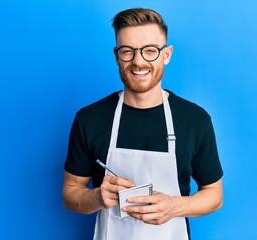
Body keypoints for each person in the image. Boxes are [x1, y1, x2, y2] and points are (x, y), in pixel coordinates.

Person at [62, 7, 223, 240]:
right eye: (127, 51)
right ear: (117, 55)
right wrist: (97, 197)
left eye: (150, 51)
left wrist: (173, 207)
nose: (138, 62)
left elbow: (214, 194)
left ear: (166, 55)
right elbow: (70, 193)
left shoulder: (195, 120)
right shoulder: (90, 118)